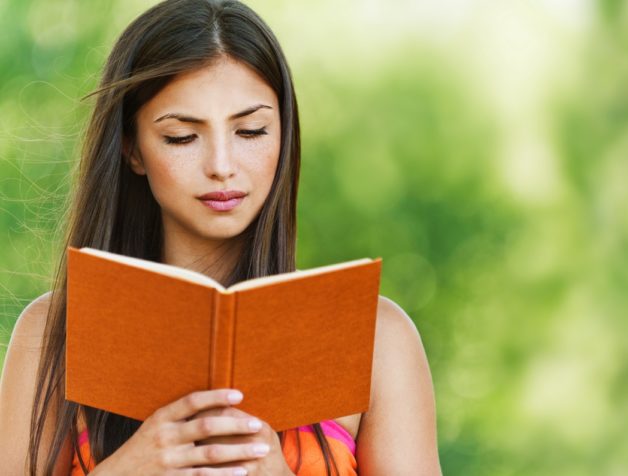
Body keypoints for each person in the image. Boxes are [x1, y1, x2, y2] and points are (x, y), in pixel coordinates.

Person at [0, 0, 441, 474]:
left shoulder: (376, 338)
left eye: (251, 131)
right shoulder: (53, 333)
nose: (222, 165)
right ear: (132, 149)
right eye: (182, 138)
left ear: (284, 134)